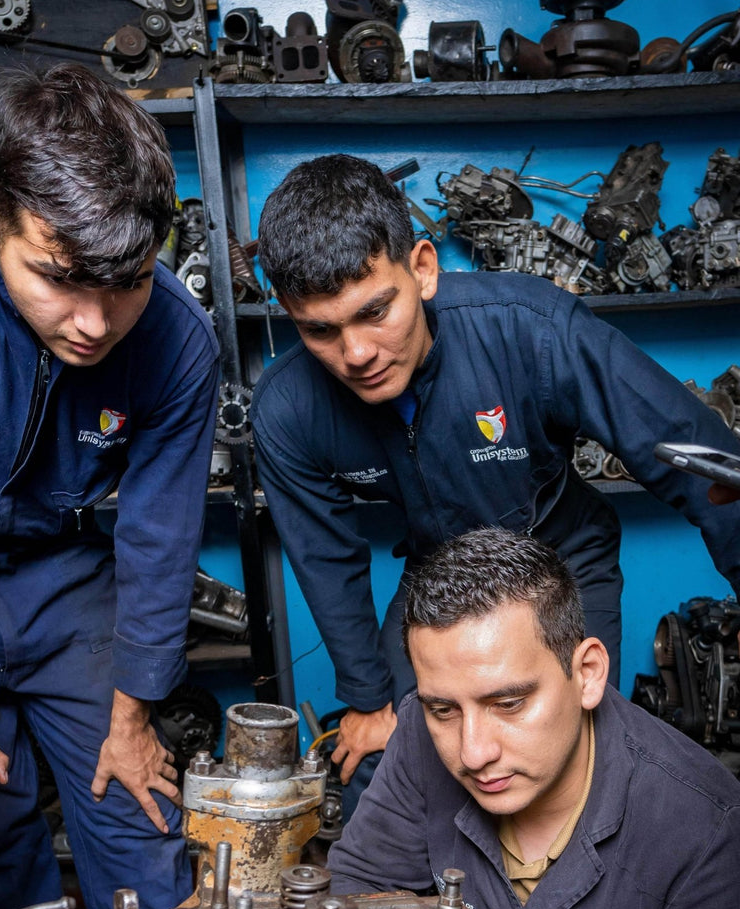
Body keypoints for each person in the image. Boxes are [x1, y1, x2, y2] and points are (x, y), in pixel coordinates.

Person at [250, 152, 740, 818]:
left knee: (578, 784)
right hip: (441, 579)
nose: (356, 353)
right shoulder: (287, 411)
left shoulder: (529, 329)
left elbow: (691, 456)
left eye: (375, 312)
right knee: (386, 778)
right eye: (321, 330)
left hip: (563, 560)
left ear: (422, 268)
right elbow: (325, 562)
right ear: (289, 313)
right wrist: (369, 704)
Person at [0, 64, 219, 909]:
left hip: (62, 581)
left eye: (127, 282)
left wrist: (135, 708)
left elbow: (158, 534)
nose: (96, 323)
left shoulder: (178, 345)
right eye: (60, 278)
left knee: (137, 813)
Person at [327, 527, 740, 909]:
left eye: (509, 703)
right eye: (445, 710)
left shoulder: (703, 828)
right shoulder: (421, 733)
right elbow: (356, 899)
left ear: (588, 673)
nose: (473, 751)